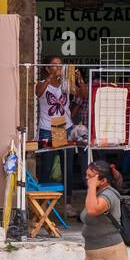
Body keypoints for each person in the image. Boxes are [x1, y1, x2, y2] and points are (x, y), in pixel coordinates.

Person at [33, 54, 86, 186]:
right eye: (55, 64)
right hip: (48, 128)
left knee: (67, 165)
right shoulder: (42, 84)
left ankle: (67, 200)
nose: (59, 67)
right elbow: (38, 93)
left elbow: (83, 95)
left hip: (62, 127)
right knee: (46, 166)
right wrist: (51, 77)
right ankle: (43, 199)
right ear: (47, 68)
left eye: (60, 64)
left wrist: (80, 80)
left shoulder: (66, 84)